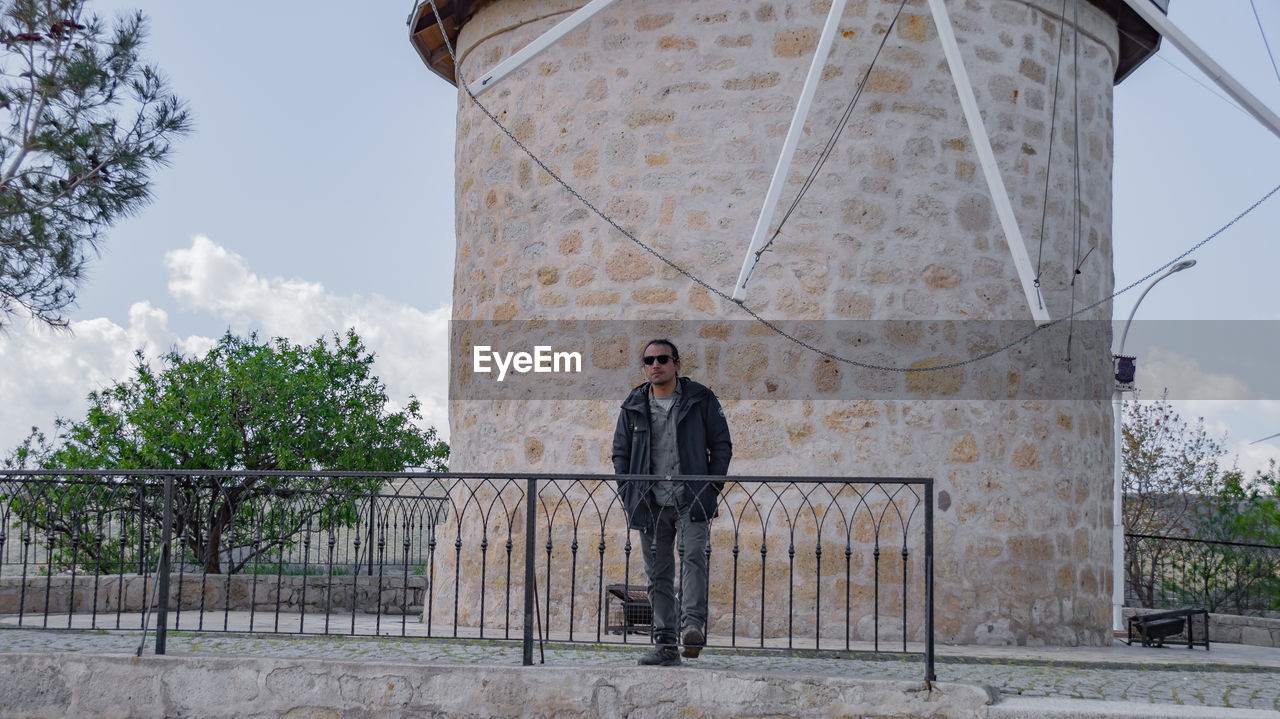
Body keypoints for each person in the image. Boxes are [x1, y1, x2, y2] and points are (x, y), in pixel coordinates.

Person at [612, 339, 732, 666]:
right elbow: (620, 454)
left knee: (694, 558)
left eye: (662, 359)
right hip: (649, 502)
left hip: (690, 497)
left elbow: (722, 446)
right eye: (649, 360)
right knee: (658, 575)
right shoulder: (634, 404)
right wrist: (629, 492)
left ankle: (692, 627)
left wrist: (711, 487)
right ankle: (665, 645)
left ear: (677, 364)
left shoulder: (700, 399)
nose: (655, 365)